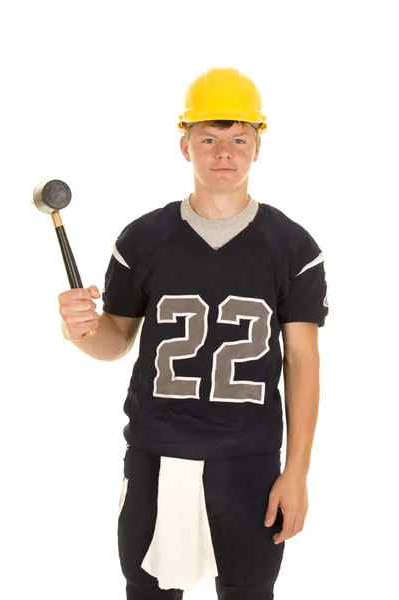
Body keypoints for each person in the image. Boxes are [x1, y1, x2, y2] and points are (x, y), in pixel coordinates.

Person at [58, 67, 329, 600]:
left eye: (238, 139)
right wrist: (81, 332)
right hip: (157, 453)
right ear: (185, 146)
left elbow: (303, 360)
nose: (223, 153)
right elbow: (115, 340)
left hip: (249, 460)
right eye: (208, 138)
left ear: (258, 146)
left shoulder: (293, 246)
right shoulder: (143, 238)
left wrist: (296, 473)